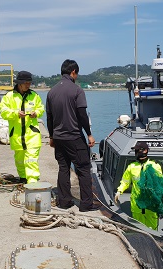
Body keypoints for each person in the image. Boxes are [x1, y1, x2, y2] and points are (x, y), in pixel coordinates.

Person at [46, 59, 97, 212]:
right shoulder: (77, 90)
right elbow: (82, 114)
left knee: (63, 168)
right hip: (74, 137)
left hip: (59, 138)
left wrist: (52, 137)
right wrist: (89, 134)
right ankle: (86, 204)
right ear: (73, 72)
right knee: (83, 169)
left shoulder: (51, 92)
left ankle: (64, 202)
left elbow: (49, 118)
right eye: (77, 73)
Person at [114, 141, 163, 230]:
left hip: (151, 206)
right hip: (136, 205)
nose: (137, 153)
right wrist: (119, 191)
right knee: (138, 228)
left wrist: (162, 204)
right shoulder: (131, 167)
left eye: (137, 151)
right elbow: (125, 182)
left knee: (152, 229)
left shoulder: (154, 166)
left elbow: (159, 186)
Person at [0, 71, 44, 184]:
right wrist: (15, 113)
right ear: (19, 83)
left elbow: (41, 108)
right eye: (26, 83)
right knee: (19, 159)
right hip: (17, 134)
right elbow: (3, 111)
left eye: (29, 83)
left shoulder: (34, 95)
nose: (28, 85)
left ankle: (32, 181)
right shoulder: (9, 96)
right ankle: (23, 177)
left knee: (31, 159)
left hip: (32, 134)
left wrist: (36, 113)